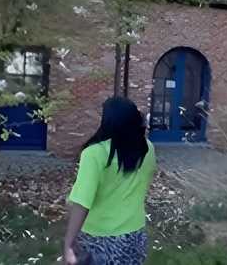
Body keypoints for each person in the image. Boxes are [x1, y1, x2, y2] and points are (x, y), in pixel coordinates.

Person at [63, 97, 157, 265]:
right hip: (136, 236)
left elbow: (82, 202)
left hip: (100, 239)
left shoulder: (95, 154)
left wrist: (68, 243)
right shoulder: (147, 148)